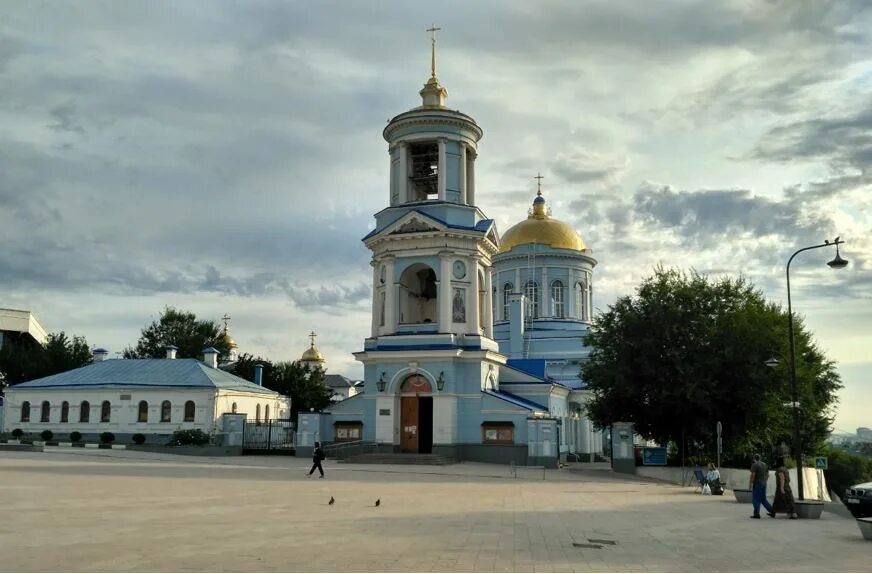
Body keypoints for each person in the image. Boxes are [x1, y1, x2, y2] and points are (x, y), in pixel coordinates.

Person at [749, 454, 775, 519]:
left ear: (754, 458)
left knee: (756, 499)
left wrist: (750, 484)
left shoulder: (754, 465)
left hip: (757, 483)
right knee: (763, 499)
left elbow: (753, 475)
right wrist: (764, 481)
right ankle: (772, 511)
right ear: (760, 458)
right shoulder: (765, 464)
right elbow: (768, 475)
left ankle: (756, 514)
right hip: (764, 483)